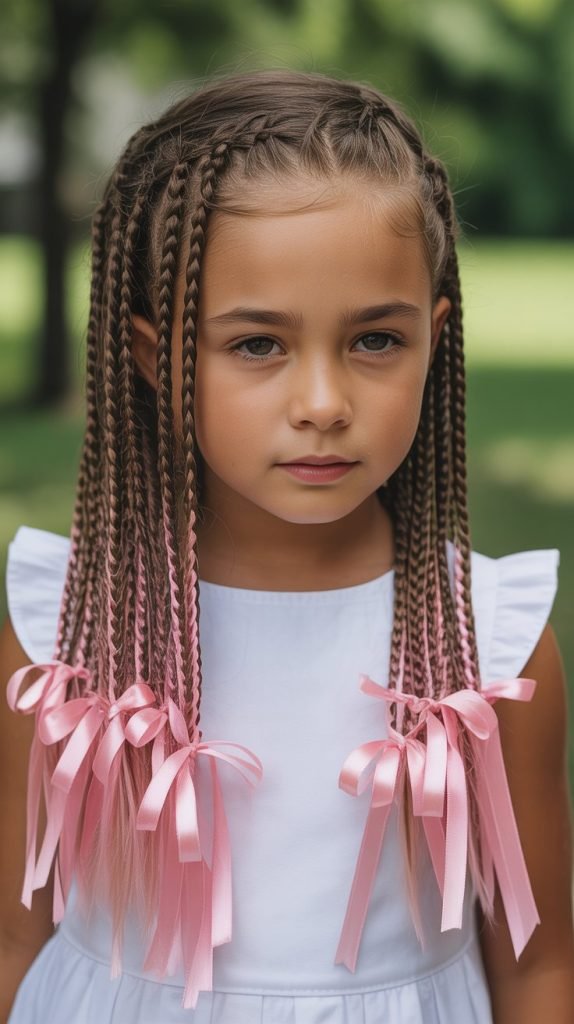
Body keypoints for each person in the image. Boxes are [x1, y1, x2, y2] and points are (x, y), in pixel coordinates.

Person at [1, 67, 573, 1024]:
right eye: (257, 345)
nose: (323, 404)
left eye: (376, 342)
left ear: (434, 341)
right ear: (155, 360)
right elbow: (16, 933)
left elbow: (538, 965)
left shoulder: (491, 648)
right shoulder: (64, 634)